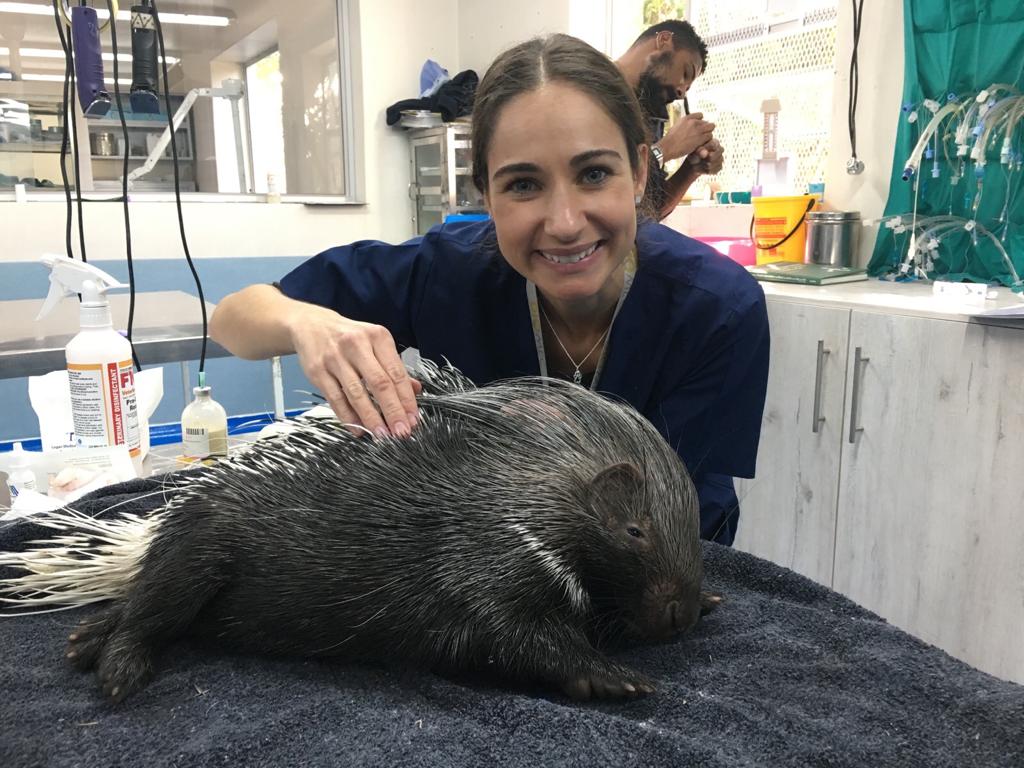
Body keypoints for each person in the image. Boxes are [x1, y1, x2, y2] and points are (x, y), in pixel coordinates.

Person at [210, 34, 769, 546]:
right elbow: (234, 319)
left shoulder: (717, 308)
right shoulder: (446, 272)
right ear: (485, 192)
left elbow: (663, 512)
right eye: (524, 185)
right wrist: (309, 324)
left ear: (641, 171)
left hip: (658, 568)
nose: (566, 221)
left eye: (594, 173)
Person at [614, 20, 723, 219]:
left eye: (688, 89)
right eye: (685, 72)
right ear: (664, 40)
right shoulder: (593, 89)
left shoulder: (650, 117)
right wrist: (665, 149)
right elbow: (608, 194)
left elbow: (646, 212)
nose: (681, 92)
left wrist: (692, 169)